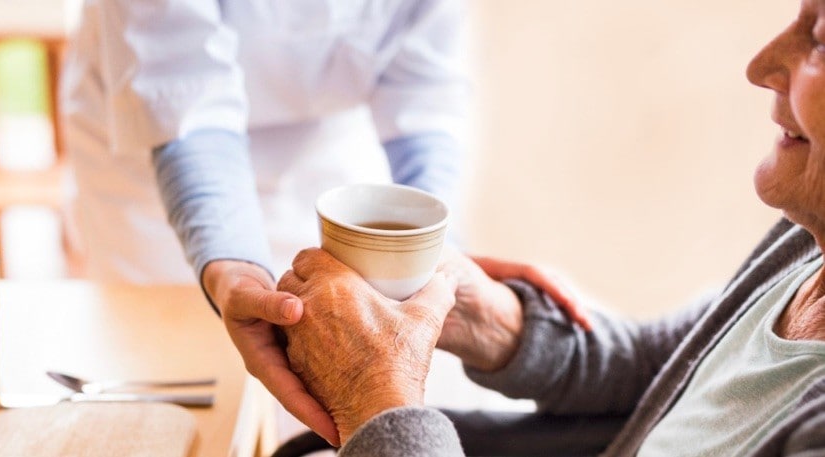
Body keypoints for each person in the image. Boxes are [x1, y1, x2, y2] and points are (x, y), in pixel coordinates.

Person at [276, 0, 825, 453]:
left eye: (820, 41)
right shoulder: (806, 244)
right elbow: (664, 370)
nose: (760, 66)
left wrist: (377, 396)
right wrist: (494, 321)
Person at [59, 0, 469, 443]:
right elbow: (184, 90)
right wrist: (231, 269)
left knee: (341, 373)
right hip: (161, 129)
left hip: (330, 136)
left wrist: (425, 242)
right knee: (173, 372)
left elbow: (423, 90)